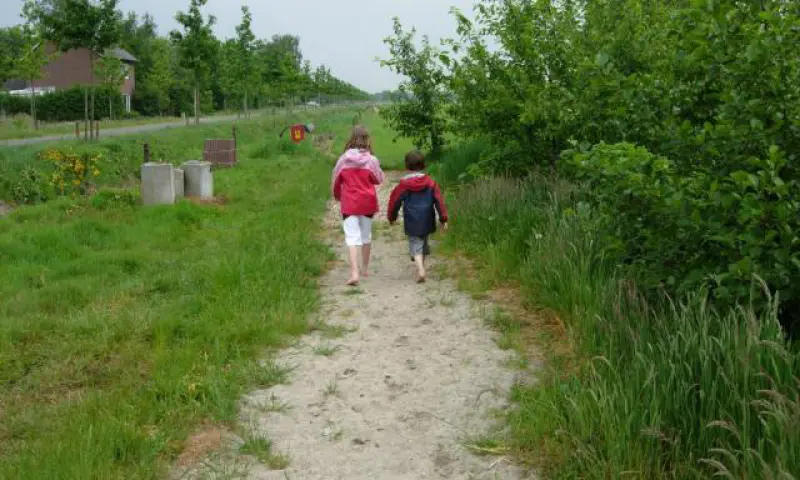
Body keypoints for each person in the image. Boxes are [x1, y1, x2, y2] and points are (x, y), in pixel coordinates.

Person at [332, 125, 385, 286]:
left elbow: (336, 179)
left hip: (349, 202)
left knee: (352, 237)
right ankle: (365, 268)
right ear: (367, 140)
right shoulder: (372, 160)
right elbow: (378, 179)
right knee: (366, 236)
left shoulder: (343, 159)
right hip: (367, 202)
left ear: (351, 139)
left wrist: (337, 195)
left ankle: (354, 273)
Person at [388, 150, 449, 283]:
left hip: (412, 219)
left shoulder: (404, 185)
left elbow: (395, 201)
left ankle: (420, 270)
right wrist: (443, 218)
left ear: (406, 166)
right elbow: (439, 201)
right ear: (424, 166)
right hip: (427, 217)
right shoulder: (431, 183)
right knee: (423, 242)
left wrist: (392, 217)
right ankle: (421, 267)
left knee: (415, 243)